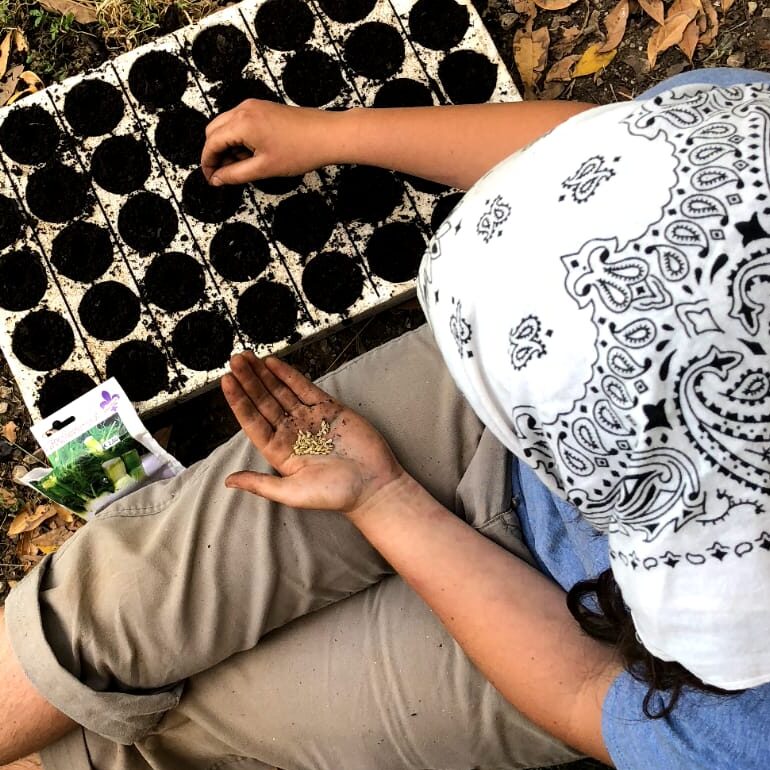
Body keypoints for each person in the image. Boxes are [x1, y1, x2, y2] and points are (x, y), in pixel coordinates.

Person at [2, 66, 770, 770]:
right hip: (509, 386)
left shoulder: (741, 730)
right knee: (130, 595)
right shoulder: (744, 152)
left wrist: (385, 502)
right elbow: (591, 152)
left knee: (206, 717)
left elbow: (584, 693)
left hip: (572, 645)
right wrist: (333, 134)